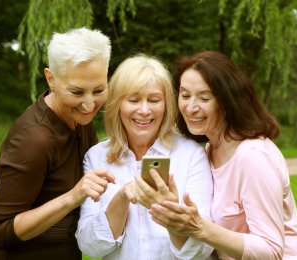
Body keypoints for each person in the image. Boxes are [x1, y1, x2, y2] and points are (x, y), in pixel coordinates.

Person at [148, 51, 297, 260]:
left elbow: (271, 251)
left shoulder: (253, 157)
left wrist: (200, 228)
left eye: (204, 98)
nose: (191, 107)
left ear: (227, 100)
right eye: (185, 95)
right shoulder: (209, 151)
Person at [0, 27, 115, 260]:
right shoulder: (34, 139)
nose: (89, 104)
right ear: (51, 78)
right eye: (76, 92)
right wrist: (72, 197)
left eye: (98, 90)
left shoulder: (82, 121)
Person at [75, 54, 215, 259]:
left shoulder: (191, 155)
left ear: (166, 104)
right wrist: (121, 198)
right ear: (117, 105)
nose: (144, 110)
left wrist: (169, 213)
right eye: (133, 100)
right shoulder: (96, 157)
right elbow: (90, 247)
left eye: (154, 100)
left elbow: (202, 250)